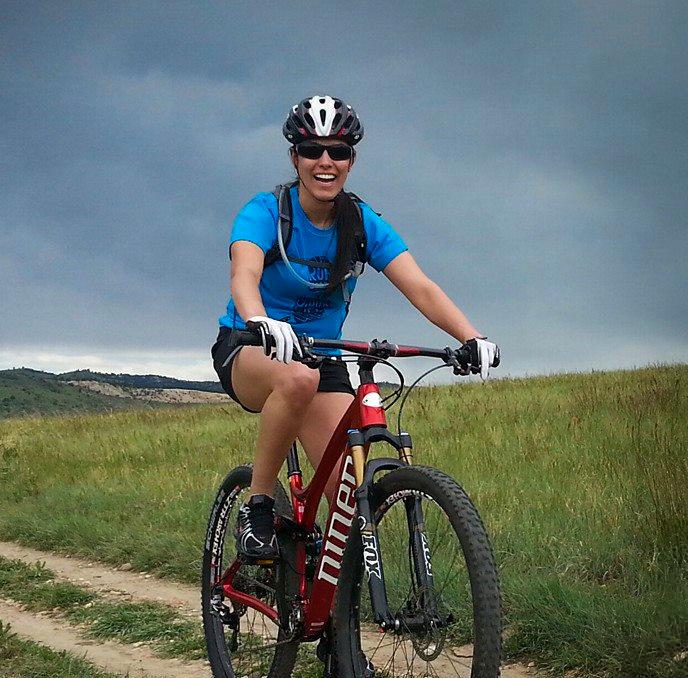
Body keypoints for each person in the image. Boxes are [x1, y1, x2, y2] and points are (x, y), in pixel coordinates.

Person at [211, 95, 499, 561]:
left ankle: (329, 613)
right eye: (312, 150)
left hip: (322, 356)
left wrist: (471, 337)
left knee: (348, 496)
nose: (325, 162)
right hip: (252, 346)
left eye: (338, 151)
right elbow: (243, 273)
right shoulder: (266, 212)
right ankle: (258, 503)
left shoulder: (362, 223)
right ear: (294, 158)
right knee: (296, 377)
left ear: (351, 160)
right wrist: (259, 319)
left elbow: (420, 286)